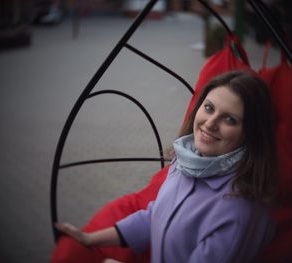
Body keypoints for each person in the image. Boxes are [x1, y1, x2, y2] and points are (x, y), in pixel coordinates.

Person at [55, 70, 277, 263]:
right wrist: (90, 238)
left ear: (251, 134)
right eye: (208, 108)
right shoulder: (188, 162)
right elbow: (158, 215)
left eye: (229, 119)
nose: (210, 123)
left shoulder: (238, 212)